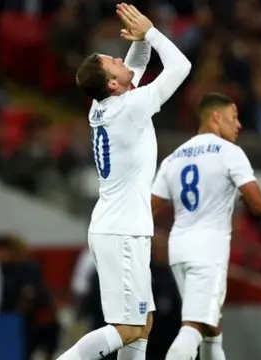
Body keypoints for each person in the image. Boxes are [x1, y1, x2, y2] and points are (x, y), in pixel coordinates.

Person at [58, 3, 192, 360]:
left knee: (141, 323)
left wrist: (141, 37)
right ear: (114, 84)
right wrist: (151, 32)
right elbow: (182, 66)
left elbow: (137, 62)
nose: (121, 59)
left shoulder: (105, 103)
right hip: (122, 232)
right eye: (113, 61)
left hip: (121, 228)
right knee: (130, 327)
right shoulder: (130, 107)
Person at [150, 93, 261, 360]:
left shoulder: (173, 158)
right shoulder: (229, 153)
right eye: (234, 117)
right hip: (208, 249)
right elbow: (259, 205)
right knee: (193, 327)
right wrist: (255, 197)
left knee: (211, 326)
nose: (238, 125)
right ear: (216, 117)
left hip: (178, 248)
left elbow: (150, 207)